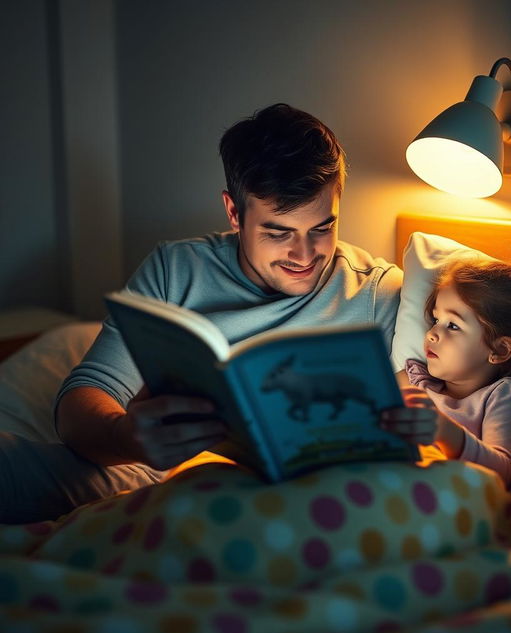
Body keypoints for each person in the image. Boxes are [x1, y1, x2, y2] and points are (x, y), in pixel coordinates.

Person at [0, 103, 402, 523]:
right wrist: (128, 437)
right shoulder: (176, 271)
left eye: (321, 228)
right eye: (277, 232)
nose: (304, 255)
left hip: (316, 500)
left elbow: (433, 417)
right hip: (160, 479)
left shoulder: (380, 294)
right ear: (233, 212)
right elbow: (83, 399)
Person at [380, 239, 511, 488]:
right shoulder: (413, 380)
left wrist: (448, 434)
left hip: (445, 496)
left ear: (499, 350)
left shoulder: (500, 395)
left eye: (453, 325)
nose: (432, 333)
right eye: (436, 319)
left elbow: (504, 469)